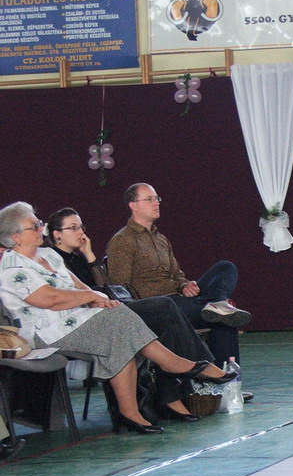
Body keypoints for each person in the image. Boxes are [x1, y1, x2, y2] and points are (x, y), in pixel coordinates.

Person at [0, 202, 233, 435]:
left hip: (80, 317)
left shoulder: (48, 255)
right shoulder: (11, 268)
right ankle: (174, 365)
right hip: (48, 332)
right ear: (15, 237)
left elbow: (78, 285)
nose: (41, 229)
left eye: (40, 224)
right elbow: (48, 299)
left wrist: (98, 298)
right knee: (121, 320)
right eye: (34, 226)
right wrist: (91, 297)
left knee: (120, 330)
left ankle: (130, 412)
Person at [106, 184, 251, 376]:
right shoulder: (122, 240)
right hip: (159, 306)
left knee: (225, 267)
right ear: (133, 205)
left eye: (157, 198)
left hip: (179, 298)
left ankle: (218, 304)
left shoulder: (161, 239)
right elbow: (120, 287)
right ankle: (220, 377)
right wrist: (147, 303)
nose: (156, 203)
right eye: (149, 199)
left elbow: (177, 273)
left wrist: (184, 285)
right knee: (225, 319)